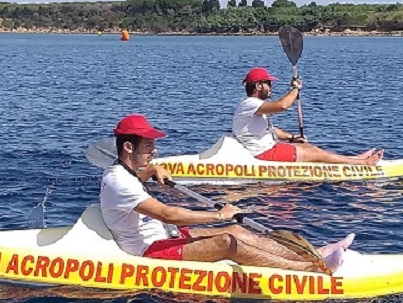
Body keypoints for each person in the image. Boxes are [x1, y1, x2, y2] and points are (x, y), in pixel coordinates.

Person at [100, 114, 354, 273]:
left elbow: (135, 181)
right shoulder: (118, 181)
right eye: (149, 146)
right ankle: (312, 270)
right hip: (150, 250)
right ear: (128, 146)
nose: (154, 151)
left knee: (238, 231)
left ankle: (315, 253)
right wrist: (218, 216)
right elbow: (168, 214)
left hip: (168, 236)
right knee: (227, 242)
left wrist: (151, 170)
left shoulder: (126, 173)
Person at [233, 67, 383, 165]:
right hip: (264, 153)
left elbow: (271, 130)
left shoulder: (254, 105)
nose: (271, 87)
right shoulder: (249, 104)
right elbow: (282, 106)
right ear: (258, 86)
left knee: (310, 148)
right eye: (268, 83)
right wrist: (295, 89)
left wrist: (292, 138)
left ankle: (355, 159)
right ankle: (363, 163)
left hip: (270, 148)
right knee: (315, 153)